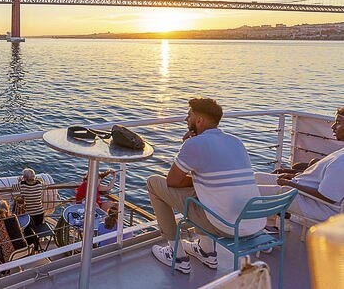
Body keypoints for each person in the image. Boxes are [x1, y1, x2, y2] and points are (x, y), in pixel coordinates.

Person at [147, 98, 264, 274]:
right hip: (253, 223)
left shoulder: (194, 144)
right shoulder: (236, 142)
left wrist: (188, 146)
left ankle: (176, 255)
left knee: (153, 183)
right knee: (203, 189)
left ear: (199, 120)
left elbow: (172, 181)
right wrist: (199, 179)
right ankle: (206, 251)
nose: (186, 119)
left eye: (189, 115)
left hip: (226, 227)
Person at [254, 107, 344, 223]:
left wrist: (291, 185)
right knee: (256, 177)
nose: (333, 126)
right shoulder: (341, 153)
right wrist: (294, 176)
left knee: (248, 192)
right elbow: (324, 180)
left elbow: (328, 197)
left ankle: (244, 228)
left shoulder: (341, 161)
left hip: (313, 205)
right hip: (301, 189)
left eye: (338, 123)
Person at [0, 200, 29, 267]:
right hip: (23, 249)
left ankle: (4, 269)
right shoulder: (13, 217)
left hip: (11, 255)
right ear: (7, 209)